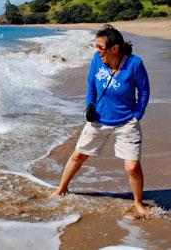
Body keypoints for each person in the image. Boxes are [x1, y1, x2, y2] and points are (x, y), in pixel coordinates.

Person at [51, 24, 150, 216]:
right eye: (96, 46)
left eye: (100, 47)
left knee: (133, 167)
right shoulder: (96, 60)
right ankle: (61, 189)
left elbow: (144, 92)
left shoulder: (135, 64)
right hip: (98, 119)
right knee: (78, 155)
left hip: (126, 122)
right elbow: (91, 85)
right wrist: (89, 106)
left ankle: (139, 203)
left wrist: (137, 116)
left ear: (115, 48)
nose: (97, 50)